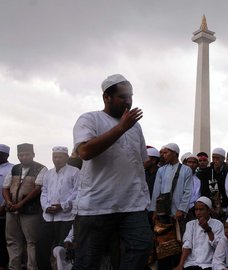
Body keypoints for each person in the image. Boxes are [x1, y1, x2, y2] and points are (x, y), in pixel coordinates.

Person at [72, 74, 153, 269]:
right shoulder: (90, 119)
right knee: (88, 261)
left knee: (142, 245)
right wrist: (121, 128)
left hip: (132, 204)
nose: (128, 101)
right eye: (122, 96)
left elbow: (143, 161)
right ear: (106, 97)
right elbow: (84, 152)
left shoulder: (136, 127)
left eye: (130, 96)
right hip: (97, 205)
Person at [2, 143, 47, 270]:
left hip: (30, 211)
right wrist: (9, 202)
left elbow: (37, 189)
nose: (24, 157)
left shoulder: (41, 168)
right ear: (17, 156)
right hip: (12, 210)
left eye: (27, 154)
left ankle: (32, 267)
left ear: (33, 155)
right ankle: (13, 267)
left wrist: (20, 204)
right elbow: (5, 187)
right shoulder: (14, 168)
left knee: (31, 241)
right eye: (21, 155)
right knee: (12, 240)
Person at [150, 143, 193, 269]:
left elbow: (187, 191)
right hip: (162, 213)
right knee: (163, 244)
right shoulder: (161, 170)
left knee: (177, 242)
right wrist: (154, 211)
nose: (163, 155)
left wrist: (181, 209)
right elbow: (156, 192)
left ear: (175, 153)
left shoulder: (186, 170)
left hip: (177, 213)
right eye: (162, 153)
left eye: (166, 152)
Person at [37, 146, 80, 270]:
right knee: (41, 245)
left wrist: (63, 206)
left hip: (66, 217)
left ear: (66, 157)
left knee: (63, 249)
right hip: (49, 217)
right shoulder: (48, 173)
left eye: (60, 157)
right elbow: (44, 192)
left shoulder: (75, 171)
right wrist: (46, 207)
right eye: (55, 157)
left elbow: (77, 192)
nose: (57, 159)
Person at [178, 196, 224, 270]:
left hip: (209, 264)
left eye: (201, 209)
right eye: (196, 210)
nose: (198, 213)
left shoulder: (218, 224)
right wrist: (180, 265)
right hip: (191, 263)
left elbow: (219, 247)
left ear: (209, 211)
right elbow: (187, 245)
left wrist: (208, 229)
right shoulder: (190, 224)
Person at [184, 154, 201, 219]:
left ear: (197, 165)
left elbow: (197, 195)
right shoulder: (179, 177)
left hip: (193, 210)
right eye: (189, 162)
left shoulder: (198, 180)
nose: (191, 164)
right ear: (186, 163)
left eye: (194, 162)